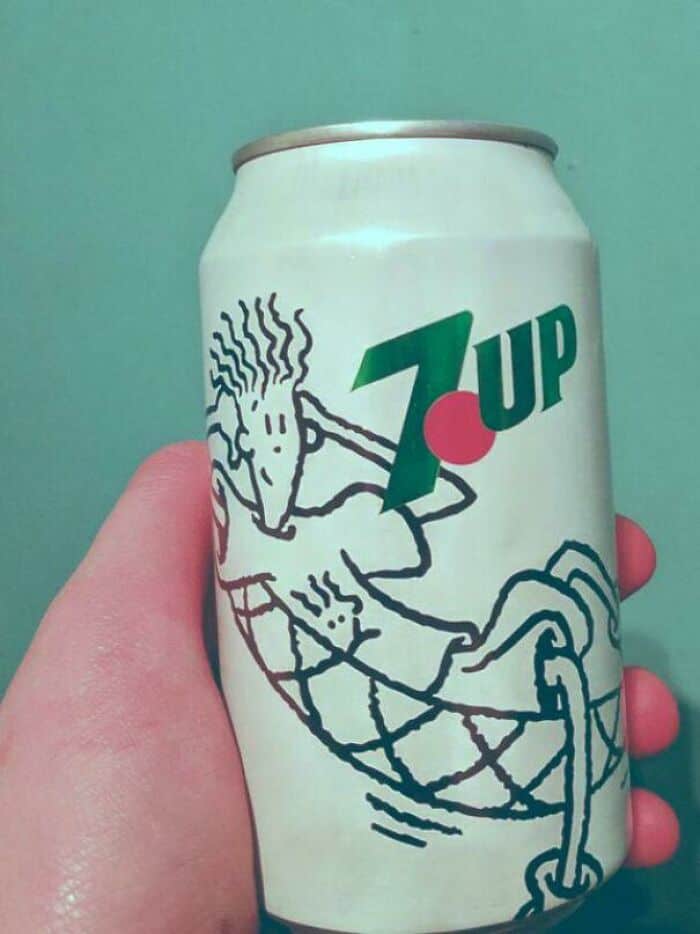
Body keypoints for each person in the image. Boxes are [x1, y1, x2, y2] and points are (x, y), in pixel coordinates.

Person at [0, 443, 680, 933]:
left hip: (453, 682)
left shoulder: (345, 514)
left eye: (285, 436)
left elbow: (432, 514)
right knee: (552, 600)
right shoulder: (257, 548)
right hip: (403, 711)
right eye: (261, 442)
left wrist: (363, 455)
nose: (275, 456)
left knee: (550, 594)